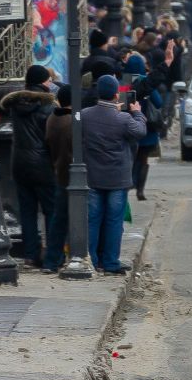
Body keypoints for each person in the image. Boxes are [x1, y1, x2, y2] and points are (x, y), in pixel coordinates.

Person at [80, 75, 145, 275]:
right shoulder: (124, 119)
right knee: (114, 220)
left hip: (93, 176)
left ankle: (91, 259)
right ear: (117, 95)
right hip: (117, 177)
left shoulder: (85, 115)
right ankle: (110, 262)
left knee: (93, 219)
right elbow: (140, 132)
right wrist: (138, 114)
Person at [4, 65, 58, 270]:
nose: (51, 84)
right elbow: (50, 136)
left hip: (20, 163)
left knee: (27, 211)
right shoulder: (48, 106)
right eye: (48, 80)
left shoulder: (16, 104)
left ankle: (30, 256)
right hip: (42, 163)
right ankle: (52, 255)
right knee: (51, 210)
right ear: (43, 82)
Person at [121, 52, 163, 201]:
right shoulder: (146, 81)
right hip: (147, 127)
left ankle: (128, 184)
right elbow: (158, 103)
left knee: (129, 158)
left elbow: (120, 106)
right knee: (143, 158)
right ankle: (140, 190)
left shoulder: (123, 83)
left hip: (128, 126)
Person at [42, 85, 74, 271]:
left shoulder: (52, 119)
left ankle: (52, 260)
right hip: (72, 175)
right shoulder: (72, 121)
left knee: (58, 220)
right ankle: (76, 255)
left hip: (59, 172)